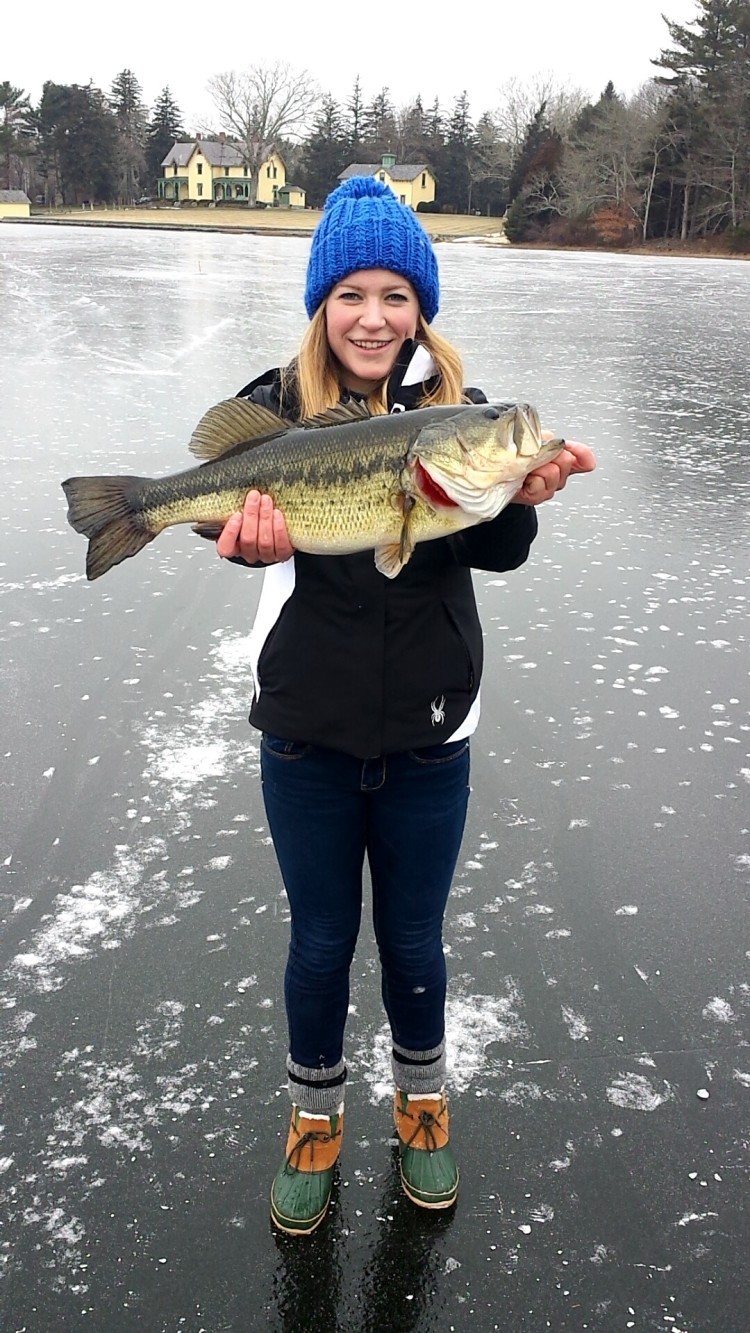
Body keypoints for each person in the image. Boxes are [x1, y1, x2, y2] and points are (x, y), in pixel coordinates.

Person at [216, 176, 596, 1236]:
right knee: (320, 940)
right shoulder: (276, 411)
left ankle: (423, 1105)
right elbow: (229, 509)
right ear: (321, 307)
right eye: (351, 294)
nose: (374, 316)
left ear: (421, 309)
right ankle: (313, 1119)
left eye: (396, 294)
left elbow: (501, 549)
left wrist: (518, 493)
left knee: (417, 941)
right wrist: (220, 528)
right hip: (307, 734)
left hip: (432, 735)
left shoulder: (457, 427)